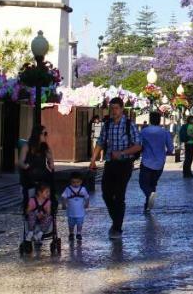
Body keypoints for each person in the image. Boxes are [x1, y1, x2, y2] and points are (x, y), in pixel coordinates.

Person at [89, 97, 141, 238]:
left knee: (119, 195)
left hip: (125, 164)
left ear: (122, 109)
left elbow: (138, 145)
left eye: (116, 108)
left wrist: (122, 153)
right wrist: (93, 160)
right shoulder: (107, 125)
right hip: (110, 163)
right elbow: (100, 142)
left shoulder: (129, 125)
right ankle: (116, 221)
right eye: (111, 108)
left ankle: (117, 228)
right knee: (106, 194)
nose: (113, 111)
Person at [138, 110, 173, 212]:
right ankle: (147, 206)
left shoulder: (144, 131)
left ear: (150, 120)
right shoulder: (165, 132)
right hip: (160, 163)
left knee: (143, 183)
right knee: (153, 184)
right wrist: (165, 153)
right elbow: (170, 148)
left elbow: (138, 145)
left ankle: (149, 195)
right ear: (159, 120)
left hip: (146, 162)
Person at [19, 126, 54, 208]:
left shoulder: (45, 147)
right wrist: (25, 166)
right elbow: (21, 161)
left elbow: (50, 162)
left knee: (44, 199)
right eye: (44, 133)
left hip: (42, 176)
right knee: (29, 201)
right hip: (29, 176)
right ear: (37, 134)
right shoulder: (27, 146)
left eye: (46, 134)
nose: (46, 136)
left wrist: (51, 163)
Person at [23, 184, 54, 253]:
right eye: (46, 192)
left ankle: (40, 234)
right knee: (31, 214)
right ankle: (31, 232)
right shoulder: (32, 200)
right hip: (33, 219)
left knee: (50, 217)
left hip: (43, 219)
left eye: (49, 192)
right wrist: (35, 213)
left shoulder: (48, 202)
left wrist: (43, 215)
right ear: (40, 193)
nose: (49, 194)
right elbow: (28, 211)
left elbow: (49, 212)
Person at [61, 172, 90, 242]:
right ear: (70, 182)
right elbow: (63, 197)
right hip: (71, 212)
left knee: (80, 223)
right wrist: (64, 204)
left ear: (81, 182)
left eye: (77, 182)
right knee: (71, 224)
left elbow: (87, 197)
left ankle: (79, 233)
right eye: (73, 182)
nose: (75, 184)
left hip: (80, 212)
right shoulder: (68, 189)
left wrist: (87, 204)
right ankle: (71, 233)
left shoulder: (83, 189)